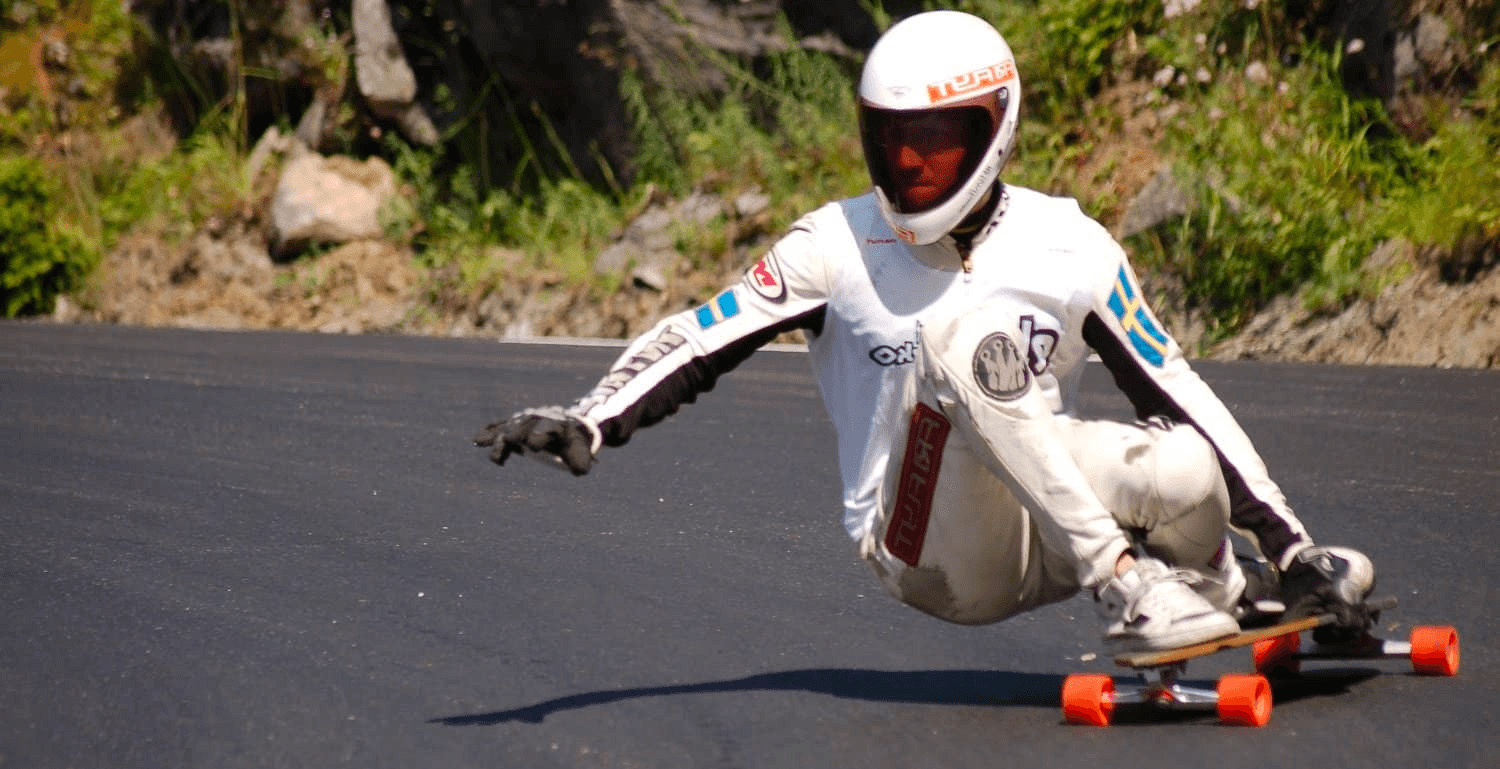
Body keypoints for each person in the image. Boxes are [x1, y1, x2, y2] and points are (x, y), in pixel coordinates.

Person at [474, 10, 1375, 652]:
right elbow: (704, 333)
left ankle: (1229, 588)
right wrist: (596, 414)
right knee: (963, 341)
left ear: (996, 127)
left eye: (935, 141)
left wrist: (1294, 545)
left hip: (1042, 526)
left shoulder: (1072, 243)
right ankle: (1130, 585)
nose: (909, 166)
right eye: (892, 142)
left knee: (1183, 463)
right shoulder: (833, 242)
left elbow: (1174, 386)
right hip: (924, 547)